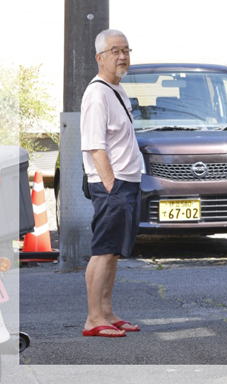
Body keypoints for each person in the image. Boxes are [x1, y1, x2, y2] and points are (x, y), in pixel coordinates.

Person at [80, 28, 142, 338]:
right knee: (103, 250)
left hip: (127, 183)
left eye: (126, 50)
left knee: (114, 251)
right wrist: (110, 186)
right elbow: (95, 145)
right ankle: (93, 318)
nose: (122, 56)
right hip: (112, 185)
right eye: (115, 51)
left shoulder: (116, 89)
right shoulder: (97, 93)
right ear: (99, 58)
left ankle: (106, 312)